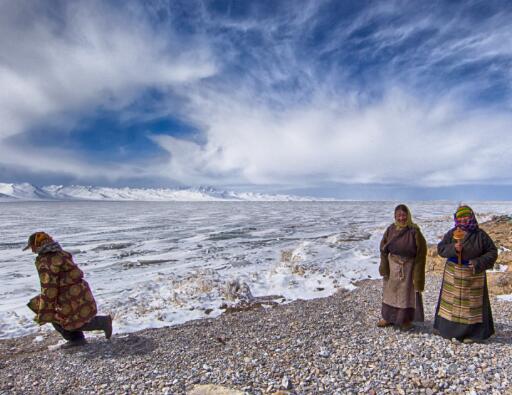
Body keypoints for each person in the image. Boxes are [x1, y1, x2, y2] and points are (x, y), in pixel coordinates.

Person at [24, 231, 112, 348]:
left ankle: (90, 330)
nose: (32, 250)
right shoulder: (61, 253)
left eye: (32, 247)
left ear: (38, 245)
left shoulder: (46, 260)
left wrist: (46, 309)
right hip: (80, 291)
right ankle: (83, 334)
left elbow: (49, 286)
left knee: (60, 318)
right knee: (74, 319)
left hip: (68, 296)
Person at [433, 205, 497, 343]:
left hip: (473, 275)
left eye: (466, 216)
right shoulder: (452, 233)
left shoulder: (481, 235)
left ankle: (472, 334)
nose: (463, 219)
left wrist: (477, 262)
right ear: (456, 218)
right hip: (453, 273)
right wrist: (453, 248)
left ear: (472, 216)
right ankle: (448, 331)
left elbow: (492, 252)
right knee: (452, 305)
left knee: (472, 306)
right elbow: (441, 249)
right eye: (460, 216)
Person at [378, 204, 427, 330]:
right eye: (398, 215)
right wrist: (384, 266)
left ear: (408, 215)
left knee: (406, 294)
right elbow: (383, 247)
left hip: (408, 267)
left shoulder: (414, 231)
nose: (401, 218)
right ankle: (388, 318)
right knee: (390, 293)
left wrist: (418, 275)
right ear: (395, 216)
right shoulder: (390, 229)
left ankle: (405, 320)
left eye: (404, 215)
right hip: (392, 265)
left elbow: (421, 252)